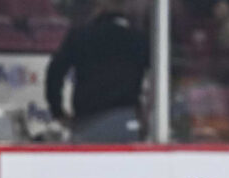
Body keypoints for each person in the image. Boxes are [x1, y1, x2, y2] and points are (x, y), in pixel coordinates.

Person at [45, 0, 150, 143]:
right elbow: (159, 78)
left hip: (87, 123)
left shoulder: (81, 35)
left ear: (99, 6)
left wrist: (58, 111)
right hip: (126, 122)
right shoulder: (138, 39)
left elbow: (55, 73)